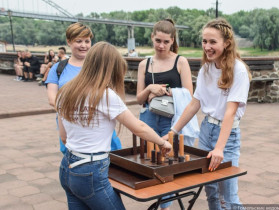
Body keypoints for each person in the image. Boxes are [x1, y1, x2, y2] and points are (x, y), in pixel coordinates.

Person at [55, 41, 172, 209]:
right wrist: (162, 142)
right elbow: (139, 127)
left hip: (68, 166)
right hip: (91, 170)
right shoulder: (104, 95)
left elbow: (64, 137)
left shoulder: (65, 91)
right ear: (111, 69)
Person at [168, 18, 251, 209]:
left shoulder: (238, 70)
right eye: (204, 41)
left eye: (213, 42)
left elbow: (230, 112)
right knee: (211, 191)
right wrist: (173, 131)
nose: (207, 46)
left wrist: (220, 148)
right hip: (206, 131)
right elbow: (194, 104)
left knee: (228, 196)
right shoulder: (206, 68)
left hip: (227, 136)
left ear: (227, 43)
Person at [136, 18, 193, 210]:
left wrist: (169, 92)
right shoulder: (145, 63)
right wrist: (150, 88)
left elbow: (190, 96)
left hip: (171, 118)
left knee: (169, 161)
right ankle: (156, 198)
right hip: (149, 117)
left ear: (172, 40)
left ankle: (164, 205)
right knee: (148, 160)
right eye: (158, 40)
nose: (161, 45)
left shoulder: (180, 61)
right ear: (152, 38)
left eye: (166, 41)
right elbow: (139, 98)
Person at [45, 22, 93, 154]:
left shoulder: (97, 67)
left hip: (95, 122)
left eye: (87, 41)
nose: (83, 45)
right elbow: (52, 98)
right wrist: (75, 114)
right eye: (79, 41)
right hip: (68, 122)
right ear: (69, 42)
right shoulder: (58, 68)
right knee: (72, 157)